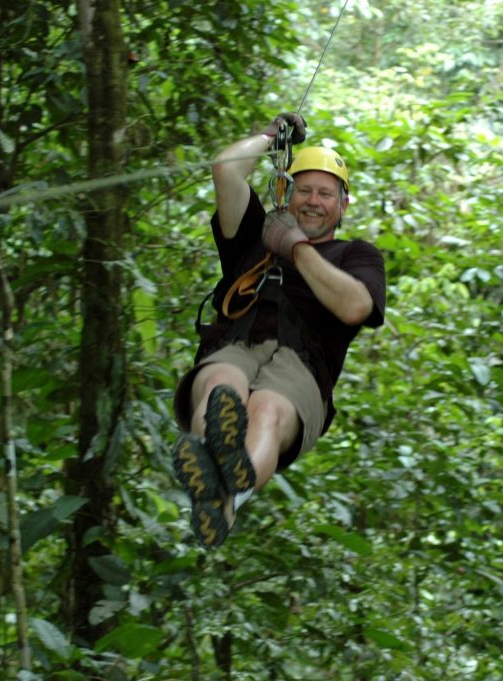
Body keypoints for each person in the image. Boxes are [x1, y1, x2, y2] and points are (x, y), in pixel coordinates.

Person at [172, 112, 386, 547]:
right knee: (221, 388)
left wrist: (296, 248)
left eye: (326, 194)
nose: (313, 200)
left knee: (266, 411)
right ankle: (204, 463)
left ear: (342, 206)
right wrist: (270, 138)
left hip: (302, 365)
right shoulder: (254, 234)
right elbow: (226, 169)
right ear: (286, 194)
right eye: (303, 189)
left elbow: (355, 306)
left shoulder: (356, 255)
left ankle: (224, 506)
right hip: (239, 339)